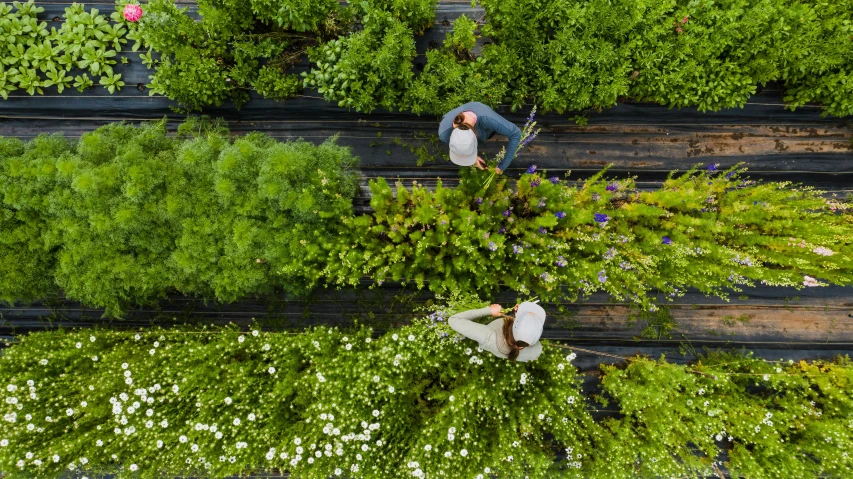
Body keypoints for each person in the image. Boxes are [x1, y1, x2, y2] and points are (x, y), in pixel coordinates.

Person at [438, 102, 522, 175]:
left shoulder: (488, 119)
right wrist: (474, 158)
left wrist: (502, 166)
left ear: (476, 137)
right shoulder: (444, 134)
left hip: (487, 127)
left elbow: (516, 133)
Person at [447, 301, 546, 362]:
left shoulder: (489, 337)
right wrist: (518, 317)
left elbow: (454, 320)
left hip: (489, 338)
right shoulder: (536, 351)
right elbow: (523, 336)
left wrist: (488, 311)